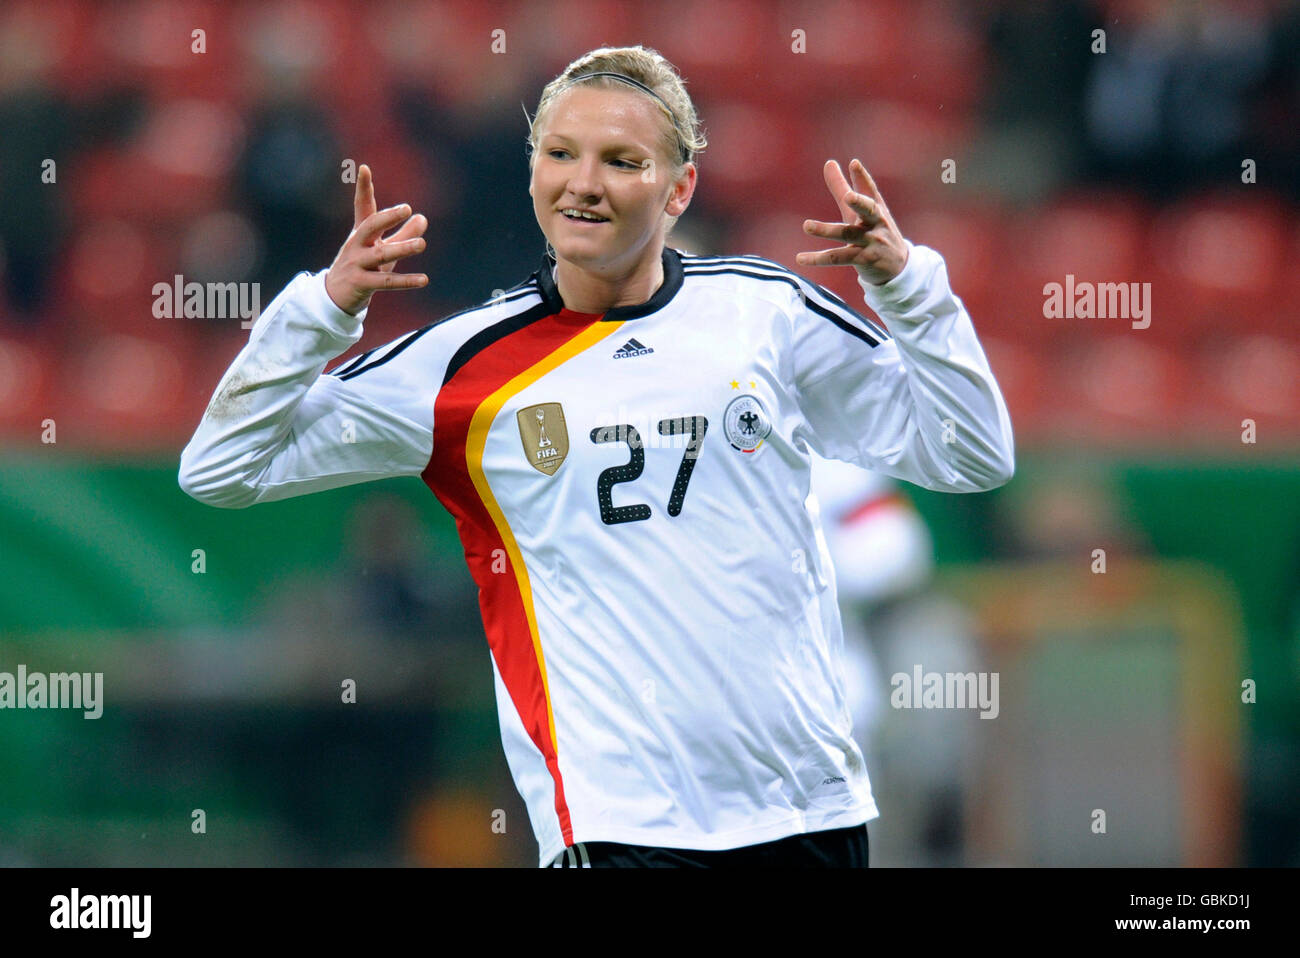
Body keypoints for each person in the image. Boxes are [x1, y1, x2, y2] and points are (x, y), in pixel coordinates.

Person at [178, 44, 1015, 868]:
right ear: (533, 170)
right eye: (560, 154)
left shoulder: (768, 315)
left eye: (622, 160)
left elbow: (974, 454)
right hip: (614, 824)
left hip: (805, 811)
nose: (584, 182)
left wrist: (911, 288)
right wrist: (320, 310)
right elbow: (219, 467)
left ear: (679, 186)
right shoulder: (460, 368)